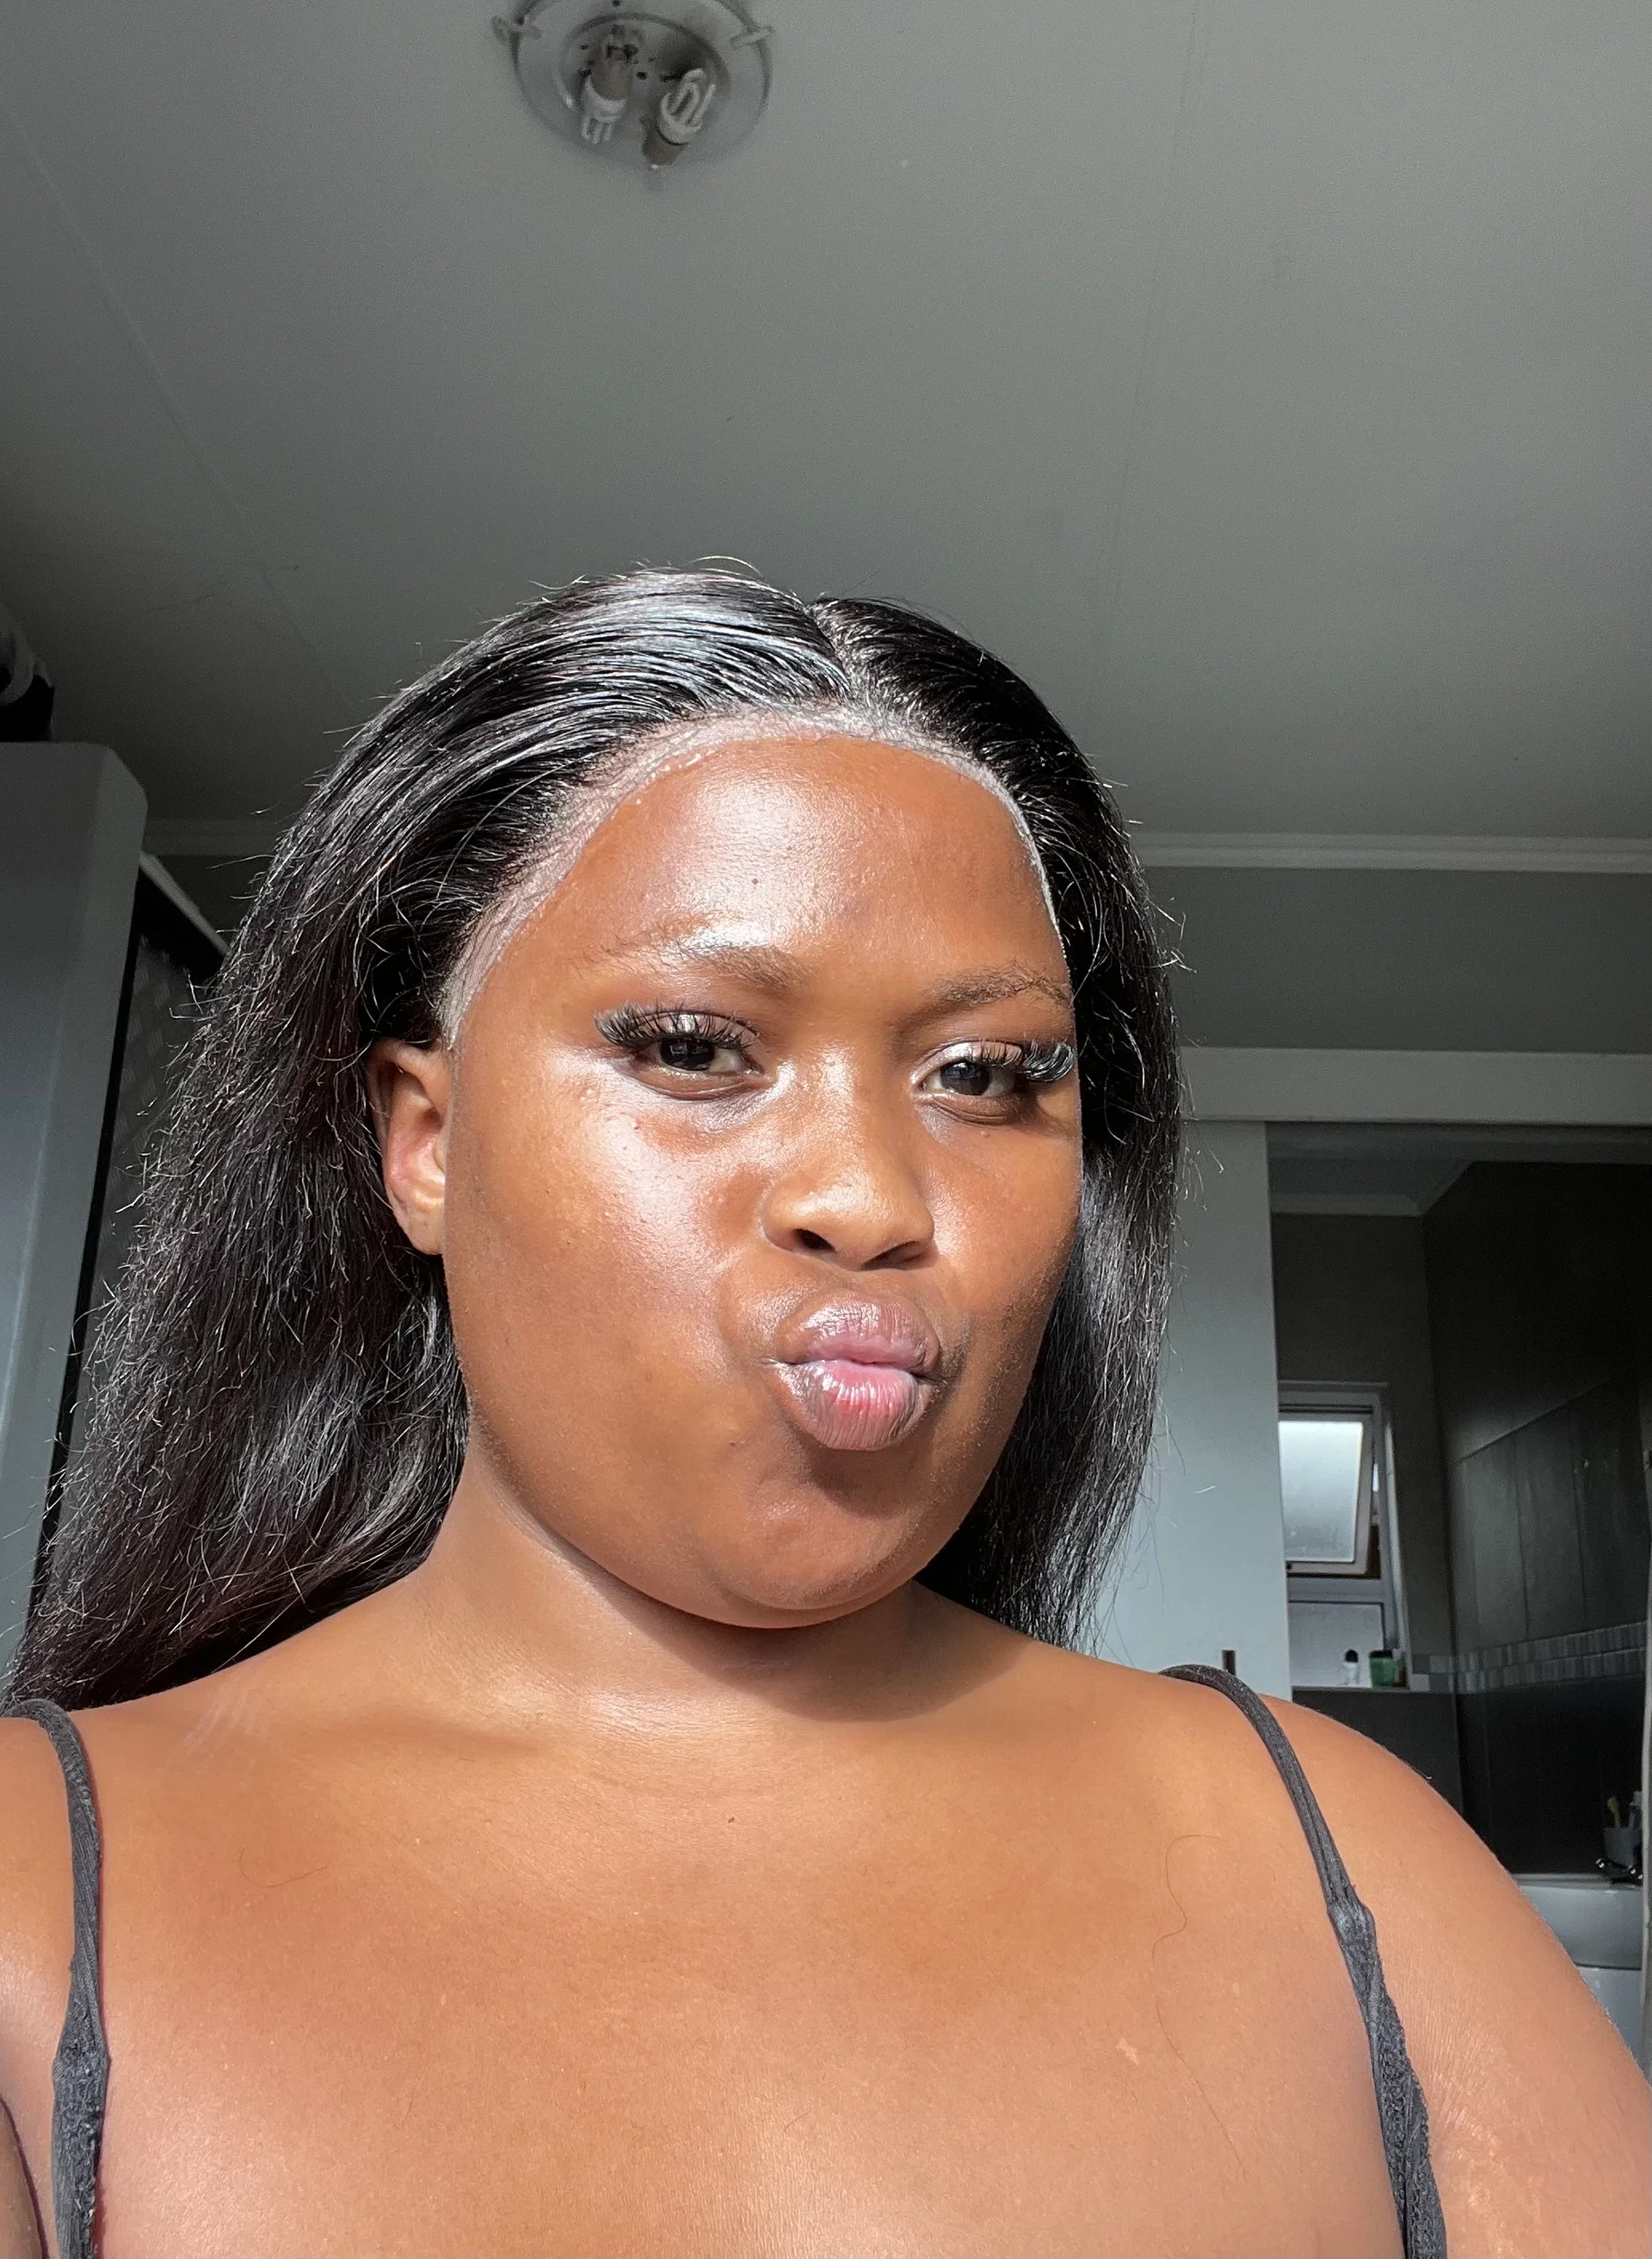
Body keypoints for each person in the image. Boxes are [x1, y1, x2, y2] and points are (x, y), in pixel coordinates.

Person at [0, 572, 1643, 2258]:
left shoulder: (1341, 1859)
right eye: (696, 1048)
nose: (868, 1196)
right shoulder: (41, 1897)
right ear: (422, 1143)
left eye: (984, 1076)